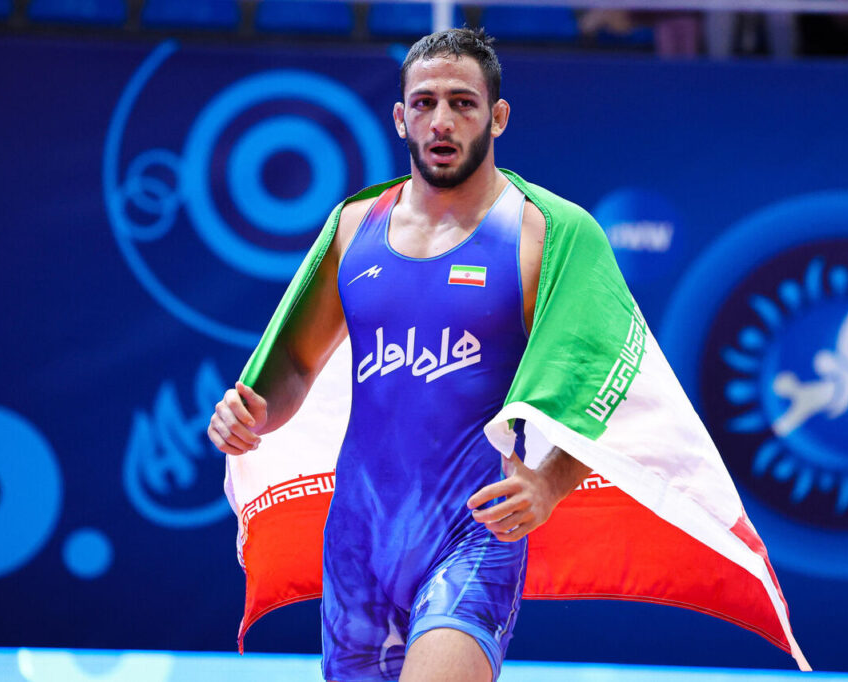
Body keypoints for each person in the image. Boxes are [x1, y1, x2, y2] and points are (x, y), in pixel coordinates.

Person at [209, 28, 593, 682]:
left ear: (498, 116)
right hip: (358, 543)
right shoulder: (354, 227)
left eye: (463, 103)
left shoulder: (543, 236)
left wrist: (549, 483)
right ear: (400, 117)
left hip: (474, 534)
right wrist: (251, 415)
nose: (441, 120)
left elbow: (605, 380)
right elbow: (295, 364)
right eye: (424, 103)